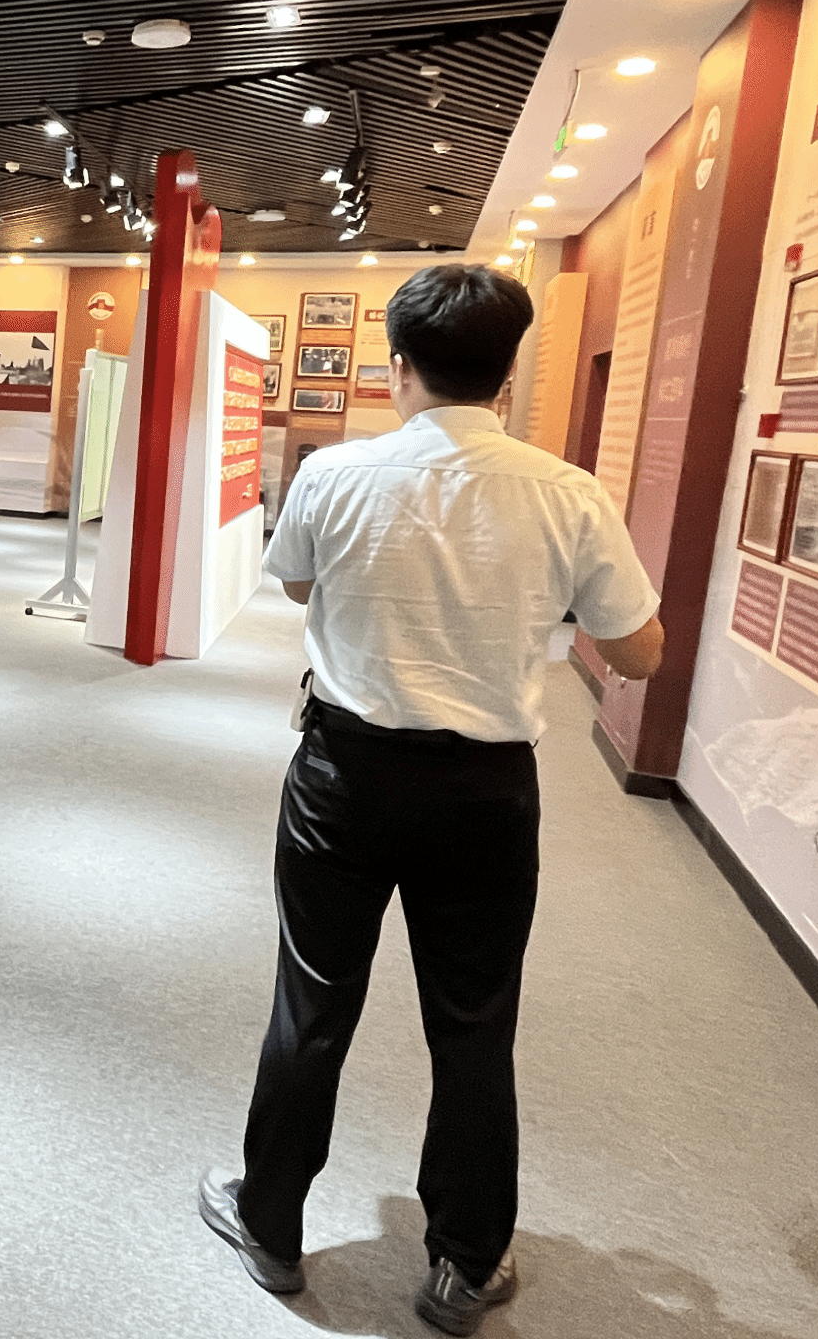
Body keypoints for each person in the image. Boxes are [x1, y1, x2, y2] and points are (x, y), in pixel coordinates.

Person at [198, 265, 666, 1336]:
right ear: (508, 372)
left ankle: (269, 1223)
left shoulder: (334, 472)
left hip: (343, 776)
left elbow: (298, 583)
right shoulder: (568, 492)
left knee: (312, 999)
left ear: (397, 365)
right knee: (472, 1021)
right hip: (484, 792)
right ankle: (464, 1261)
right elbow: (637, 652)